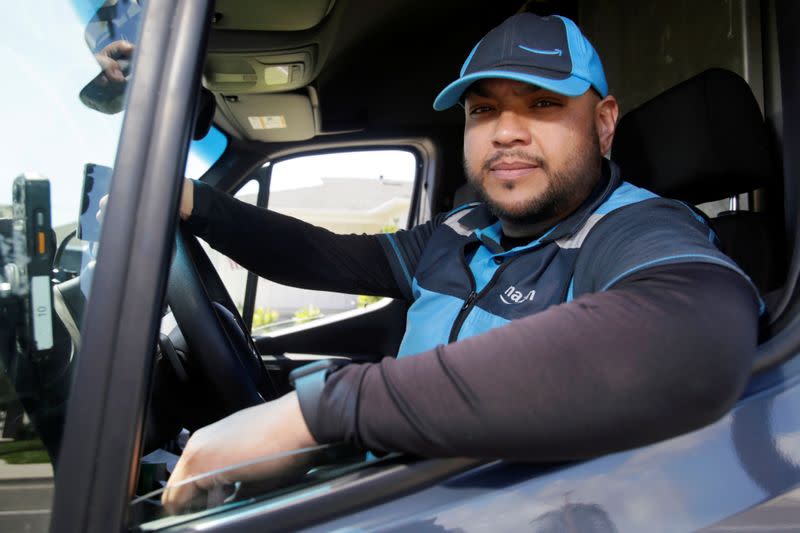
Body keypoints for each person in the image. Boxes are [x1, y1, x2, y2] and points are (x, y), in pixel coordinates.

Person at [162, 13, 760, 511]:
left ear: (604, 124)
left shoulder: (634, 226)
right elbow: (328, 258)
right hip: (393, 494)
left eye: (543, 103)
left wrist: (327, 410)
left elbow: (693, 330)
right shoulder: (461, 230)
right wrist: (198, 205)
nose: (506, 132)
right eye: (483, 111)